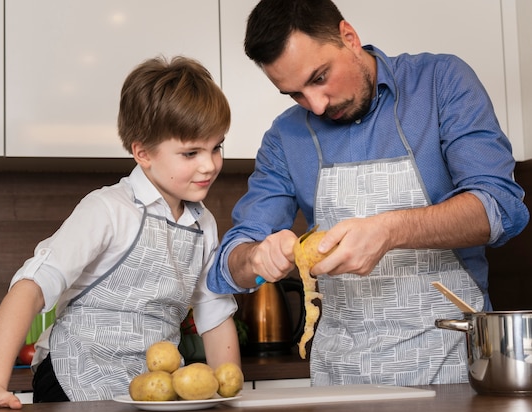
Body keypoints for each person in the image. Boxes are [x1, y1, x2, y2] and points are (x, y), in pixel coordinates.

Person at [207, 0, 529, 387]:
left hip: (451, 369)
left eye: (320, 77)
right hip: (339, 379)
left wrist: (389, 230)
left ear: (349, 36)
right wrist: (256, 257)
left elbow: (500, 207)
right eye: (294, 94)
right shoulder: (284, 137)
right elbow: (230, 264)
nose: (317, 105)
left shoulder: (440, 82)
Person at [0, 56, 239, 412]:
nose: (209, 165)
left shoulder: (203, 225)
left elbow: (214, 312)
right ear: (142, 152)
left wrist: (230, 389)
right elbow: (31, 288)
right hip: (73, 374)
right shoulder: (108, 209)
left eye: (216, 147)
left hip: (149, 386)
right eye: (191, 152)